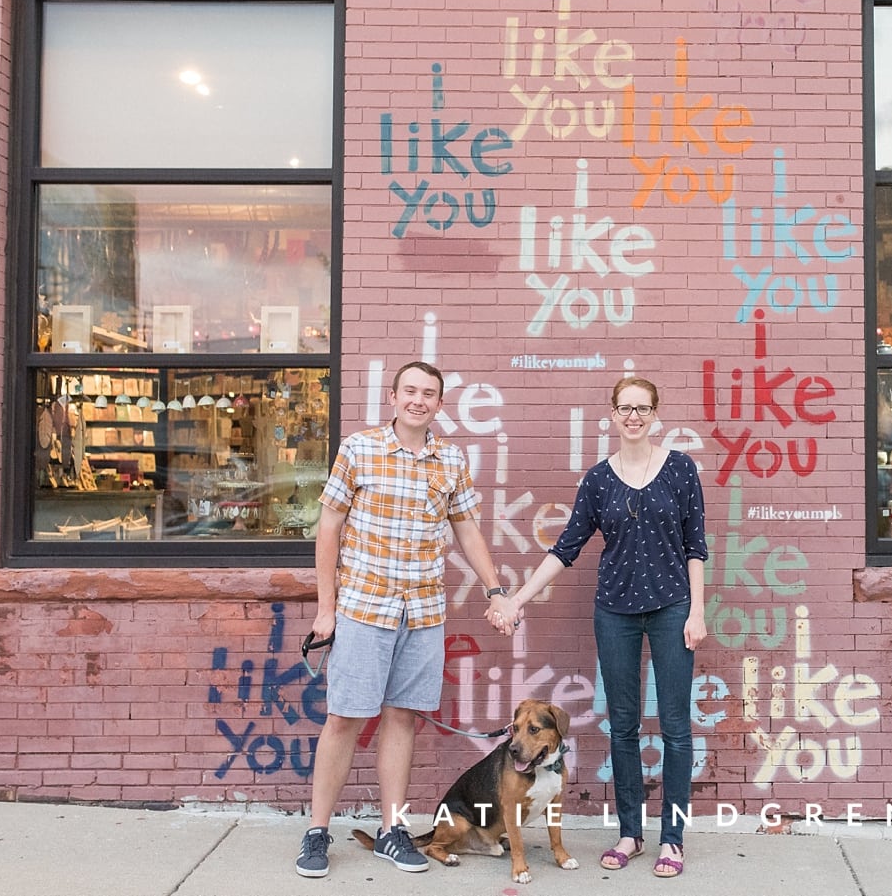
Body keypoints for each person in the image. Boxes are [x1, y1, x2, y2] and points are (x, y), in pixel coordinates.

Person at [296, 361, 514, 879]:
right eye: (410, 391)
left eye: (429, 394)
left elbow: (466, 530)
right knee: (345, 717)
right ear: (392, 397)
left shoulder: (450, 459)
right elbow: (328, 528)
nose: (418, 400)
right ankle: (316, 831)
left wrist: (497, 589)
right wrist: (326, 609)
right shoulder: (359, 449)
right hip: (364, 608)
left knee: (402, 718)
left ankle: (392, 831)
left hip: (423, 612)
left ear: (440, 404)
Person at [491, 376, 707, 880]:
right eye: (624, 408)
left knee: (675, 729)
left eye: (643, 408)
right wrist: (518, 599)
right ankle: (630, 833)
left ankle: (671, 839)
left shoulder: (680, 469)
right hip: (615, 612)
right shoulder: (598, 480)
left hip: (674, 607)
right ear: (611, 415)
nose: (633, 416)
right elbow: (566, 548)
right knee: (624, 726)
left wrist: (697, 611)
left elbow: (695, 545)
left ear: (656, 414)